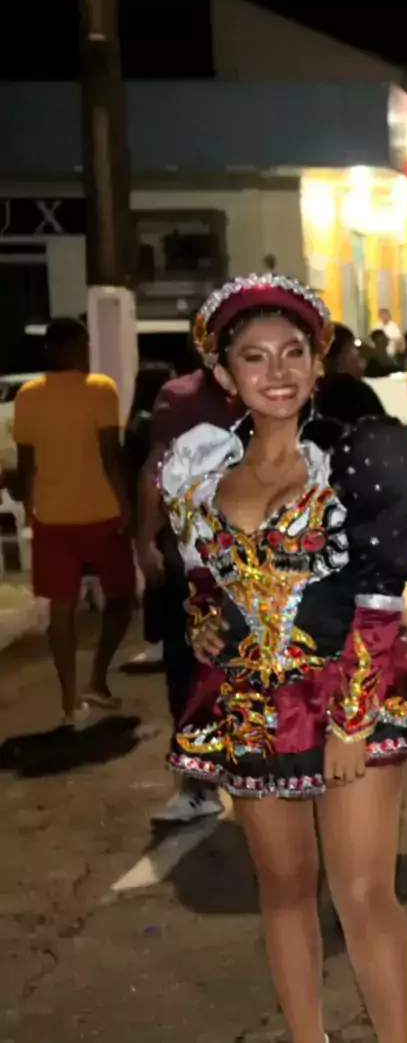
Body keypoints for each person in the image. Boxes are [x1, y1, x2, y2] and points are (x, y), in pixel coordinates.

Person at [163, 273, 407, 1043]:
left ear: (318, 362)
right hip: (252, 705)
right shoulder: (199, 470)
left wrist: (352, 720)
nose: (278, 371)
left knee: (362, 892)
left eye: (294, 351)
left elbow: (381, 600)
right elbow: (202, 575)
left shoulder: (361, 453)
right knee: (285, 887)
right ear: (225, 375)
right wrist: (204, 624)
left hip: (351, 687)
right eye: (254, 357)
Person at [10, 318, 137, 726]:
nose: (87, 354)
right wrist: (127, 505)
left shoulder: (28, 396)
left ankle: (70, 704)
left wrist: (26, 498)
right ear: (72, 349)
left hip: (52, 516)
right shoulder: (100, 389)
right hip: (101, 512)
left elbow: (26, 466)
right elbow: (110, 454)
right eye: (83, 346)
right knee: (121, 599)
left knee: (61, 609)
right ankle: (97, 679)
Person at [139, 348, 243, 823]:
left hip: (266, 558)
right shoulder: (180, 397)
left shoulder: (276, 387)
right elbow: (156, 470)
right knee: (191, 671)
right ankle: (199, 784)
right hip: (198, 560)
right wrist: (146, 539)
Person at [121, 361, 177, 673]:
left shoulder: (135, 423)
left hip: (144, 508)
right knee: (162, 575)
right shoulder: (151, 424)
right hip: (158, 509)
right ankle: (163, 640)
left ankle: (159, 640)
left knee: (156, 575)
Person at [315, 323, 388, 424]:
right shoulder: (358, 394)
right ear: (344, 356)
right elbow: (383, 429)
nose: (359, 354)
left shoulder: (312, 394)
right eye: (353, 347)